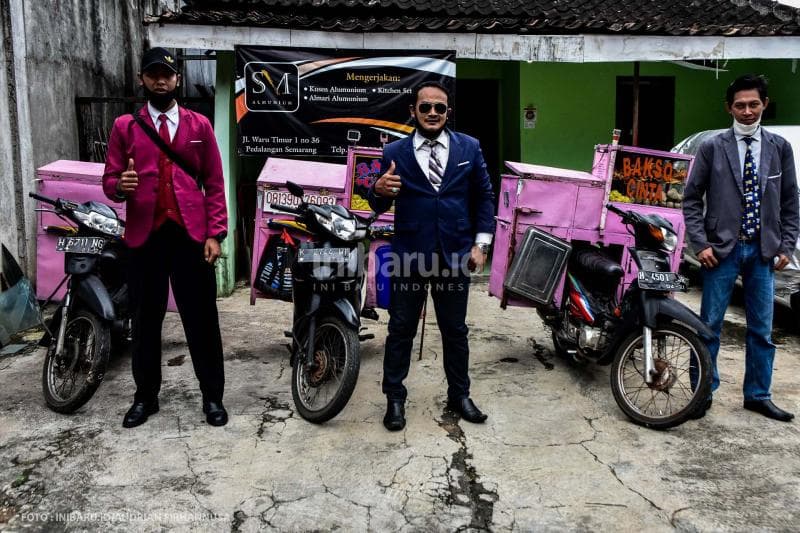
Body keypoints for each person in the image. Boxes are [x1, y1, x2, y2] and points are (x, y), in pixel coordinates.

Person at [102, 47, 229, 428]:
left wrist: (215, 233)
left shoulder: (199, 125)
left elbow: (215, 183)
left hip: (191, 236)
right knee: (144, 321)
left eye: (167, 74)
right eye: (153, 74)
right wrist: (119, 186)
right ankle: (145, 397)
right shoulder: (125, 127)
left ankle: (212, 397)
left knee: (201, 319)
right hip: (145, 237)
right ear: (142, 79)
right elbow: (110, 180)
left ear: (177, 79)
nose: (161, 80)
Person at [368, 81, 495, 431]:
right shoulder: (394, 151)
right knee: (400, 330)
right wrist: (377, 189)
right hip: (410, 257)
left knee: (455, 331)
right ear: (413, 111)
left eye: (439, 107)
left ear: (448, 112)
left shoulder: (469, 147)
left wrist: (481, 245)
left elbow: (484, 197)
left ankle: (460, 395)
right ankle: (395, 399)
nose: (433, 113)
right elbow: (378, 201)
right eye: (425, 107)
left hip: (455, 255)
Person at [683, 74, 799, 422]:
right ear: (729, 108)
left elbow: (790, 201)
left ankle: (758, 395)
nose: (747, 111)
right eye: (740, 105)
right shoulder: (712, 147)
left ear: (765, 104)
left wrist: (786, 245)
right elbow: (691, 199)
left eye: (753, 104)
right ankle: (702, 393)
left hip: (763, 253)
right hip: (721, 253)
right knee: (709, 326)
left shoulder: (779, 147)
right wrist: (700, 244)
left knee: (762, 330)